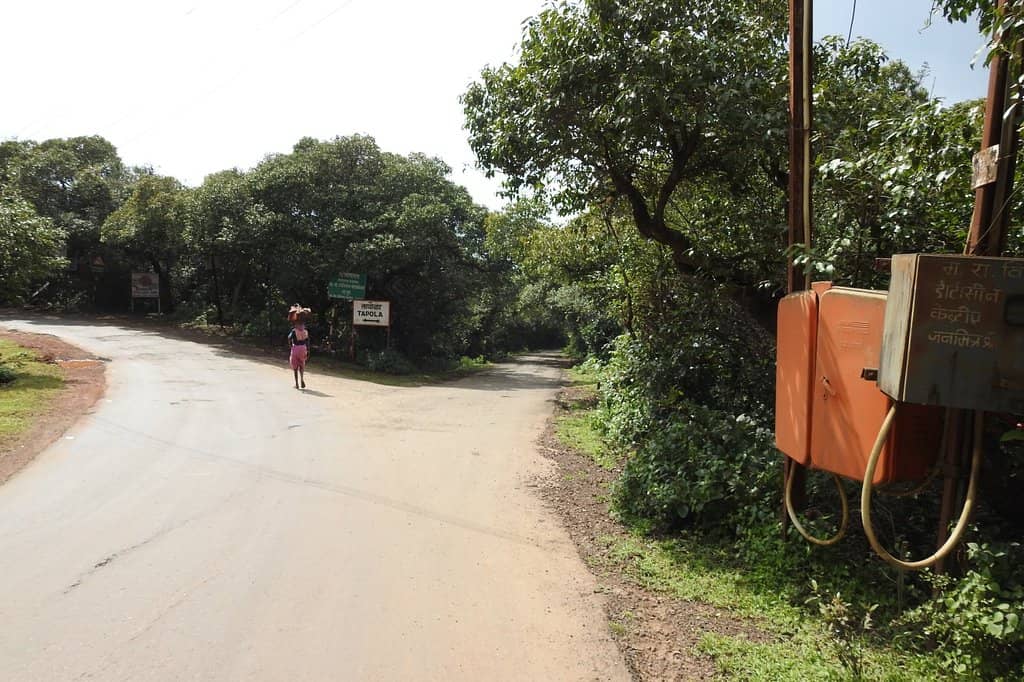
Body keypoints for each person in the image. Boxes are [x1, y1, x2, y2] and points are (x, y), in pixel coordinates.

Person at [287, 304, 311, 389]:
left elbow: (289, 338)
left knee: (295, 367)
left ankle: (297, 384)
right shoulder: (305, 331)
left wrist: (290, 346)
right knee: (302, 365)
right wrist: (308, 351)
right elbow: (307, 341)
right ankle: (302, 379)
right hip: (303, 348)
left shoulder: (294, 331)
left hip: (295, 348)